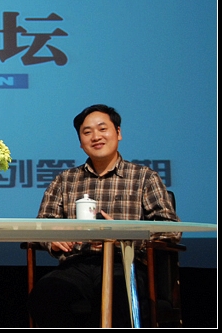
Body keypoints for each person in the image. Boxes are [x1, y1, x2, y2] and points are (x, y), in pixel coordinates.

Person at [27, 104, 181, 328]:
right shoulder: (64, 180)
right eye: (87, 132)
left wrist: (123, 235)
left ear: (118, 133)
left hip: (125, 264)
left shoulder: (144, 177)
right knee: (46, 295)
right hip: (76, 264)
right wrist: (52, 239)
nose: (96, 137)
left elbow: (171, 228)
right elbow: (42, 224)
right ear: (80, 142)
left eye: (102, 129)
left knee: (118, 297)